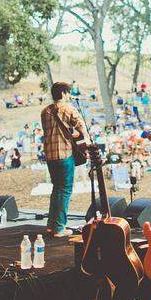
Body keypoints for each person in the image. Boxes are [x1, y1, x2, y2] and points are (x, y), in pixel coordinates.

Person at [41, 81, 89, 238]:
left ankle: (51, 225)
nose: (69, 96)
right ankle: (60, 228)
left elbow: (52, 131)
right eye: (68, 92)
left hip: (50, 155)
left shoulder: (45, 111)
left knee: (56, 189)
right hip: (64, 154)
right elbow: (82, 128)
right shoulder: (69, 109)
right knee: (66, 189)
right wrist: (86, 140)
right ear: (62, 93)